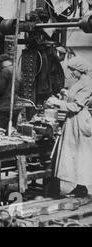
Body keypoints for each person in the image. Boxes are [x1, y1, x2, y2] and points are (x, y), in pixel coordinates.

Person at [47, 57, 92, 198]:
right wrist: (66, 94)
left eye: (73, 70)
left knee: (80, 155)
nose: (71, 73)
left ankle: (82, 187)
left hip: (79, 122)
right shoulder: (80, 82)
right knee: (74, 155)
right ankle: (79, 186)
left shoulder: (87, 84)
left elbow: (75, 106)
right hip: (73, 122)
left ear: (79, 70)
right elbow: (75, 99)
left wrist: (57, 102)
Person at [0, 54, 21, 130]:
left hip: (3, 107)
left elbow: (0, 89)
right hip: (14, 106)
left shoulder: (5, 71)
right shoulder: (17, 71)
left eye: (0, 65)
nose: (0, 67)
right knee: (10, 131)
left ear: (3, 63)